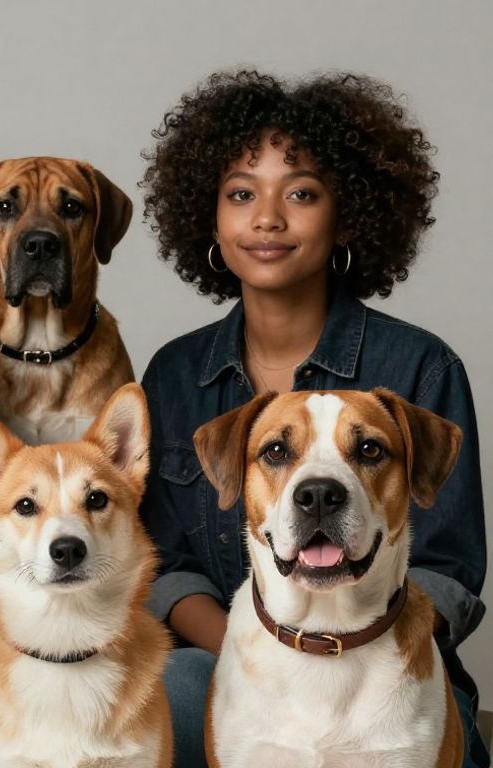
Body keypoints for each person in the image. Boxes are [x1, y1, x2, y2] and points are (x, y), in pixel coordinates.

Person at [139, 69, 488, 767]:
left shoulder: (421, 367)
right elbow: (166, 563)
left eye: (301, 193)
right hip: (244, 658)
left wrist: (348, 651)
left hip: (393, 669)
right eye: (241, 194)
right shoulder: (176, 374)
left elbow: (448, 568)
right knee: (175, 683)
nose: (268, 218)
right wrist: (266, 648)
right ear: (208, 216)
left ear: (346, 213)